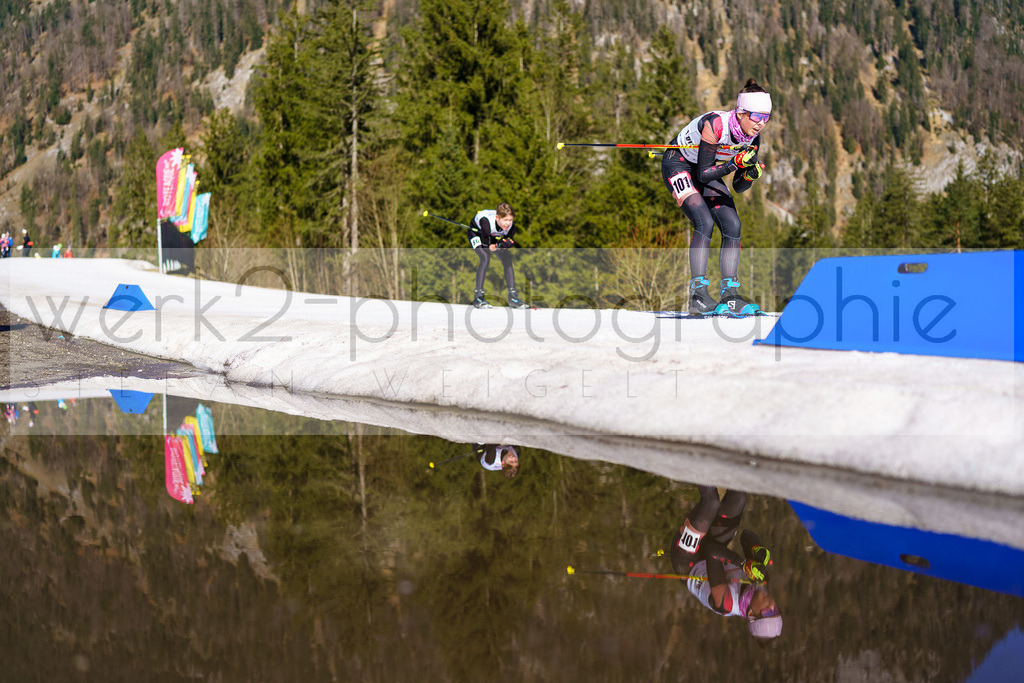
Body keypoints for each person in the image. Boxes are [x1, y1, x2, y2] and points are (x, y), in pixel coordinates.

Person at [662, 79, 771, 316]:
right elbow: (701, 173)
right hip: (678, 164)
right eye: (756, 117)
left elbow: (740, 186)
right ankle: (698, 295)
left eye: (766, 118)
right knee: (704, 221)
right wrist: (733, 163)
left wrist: (750, 175)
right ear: (741, 112)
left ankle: (730, 294)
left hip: (709, 169)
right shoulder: (715, 125)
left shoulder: (753, 138)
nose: (761, 124)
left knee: (732, 224)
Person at [669, 485, 782, 641]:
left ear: (751, 614)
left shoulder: (726, 603)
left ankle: (699, 463)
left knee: (711, 503)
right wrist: (757, 550)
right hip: (713, 546)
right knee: (739, 498)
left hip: (687, 561)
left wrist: (744, 564)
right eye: (776, 610)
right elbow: (746, 535)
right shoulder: (760, 582)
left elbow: (712, 553)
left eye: (767, 613)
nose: (771, 606)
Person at [467, 202, 529, 309]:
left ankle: (513, 297)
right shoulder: (486, 222)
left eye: (510, 220)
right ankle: (478, 296)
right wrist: (494, 245)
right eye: (505, 220)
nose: (508, 223)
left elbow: (507, 241)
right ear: (497, 218)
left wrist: (503, 244)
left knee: (507, 258)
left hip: (493, 235)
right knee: (485, 258)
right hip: (478, 233)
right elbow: (487, 245)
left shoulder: (511, 227)